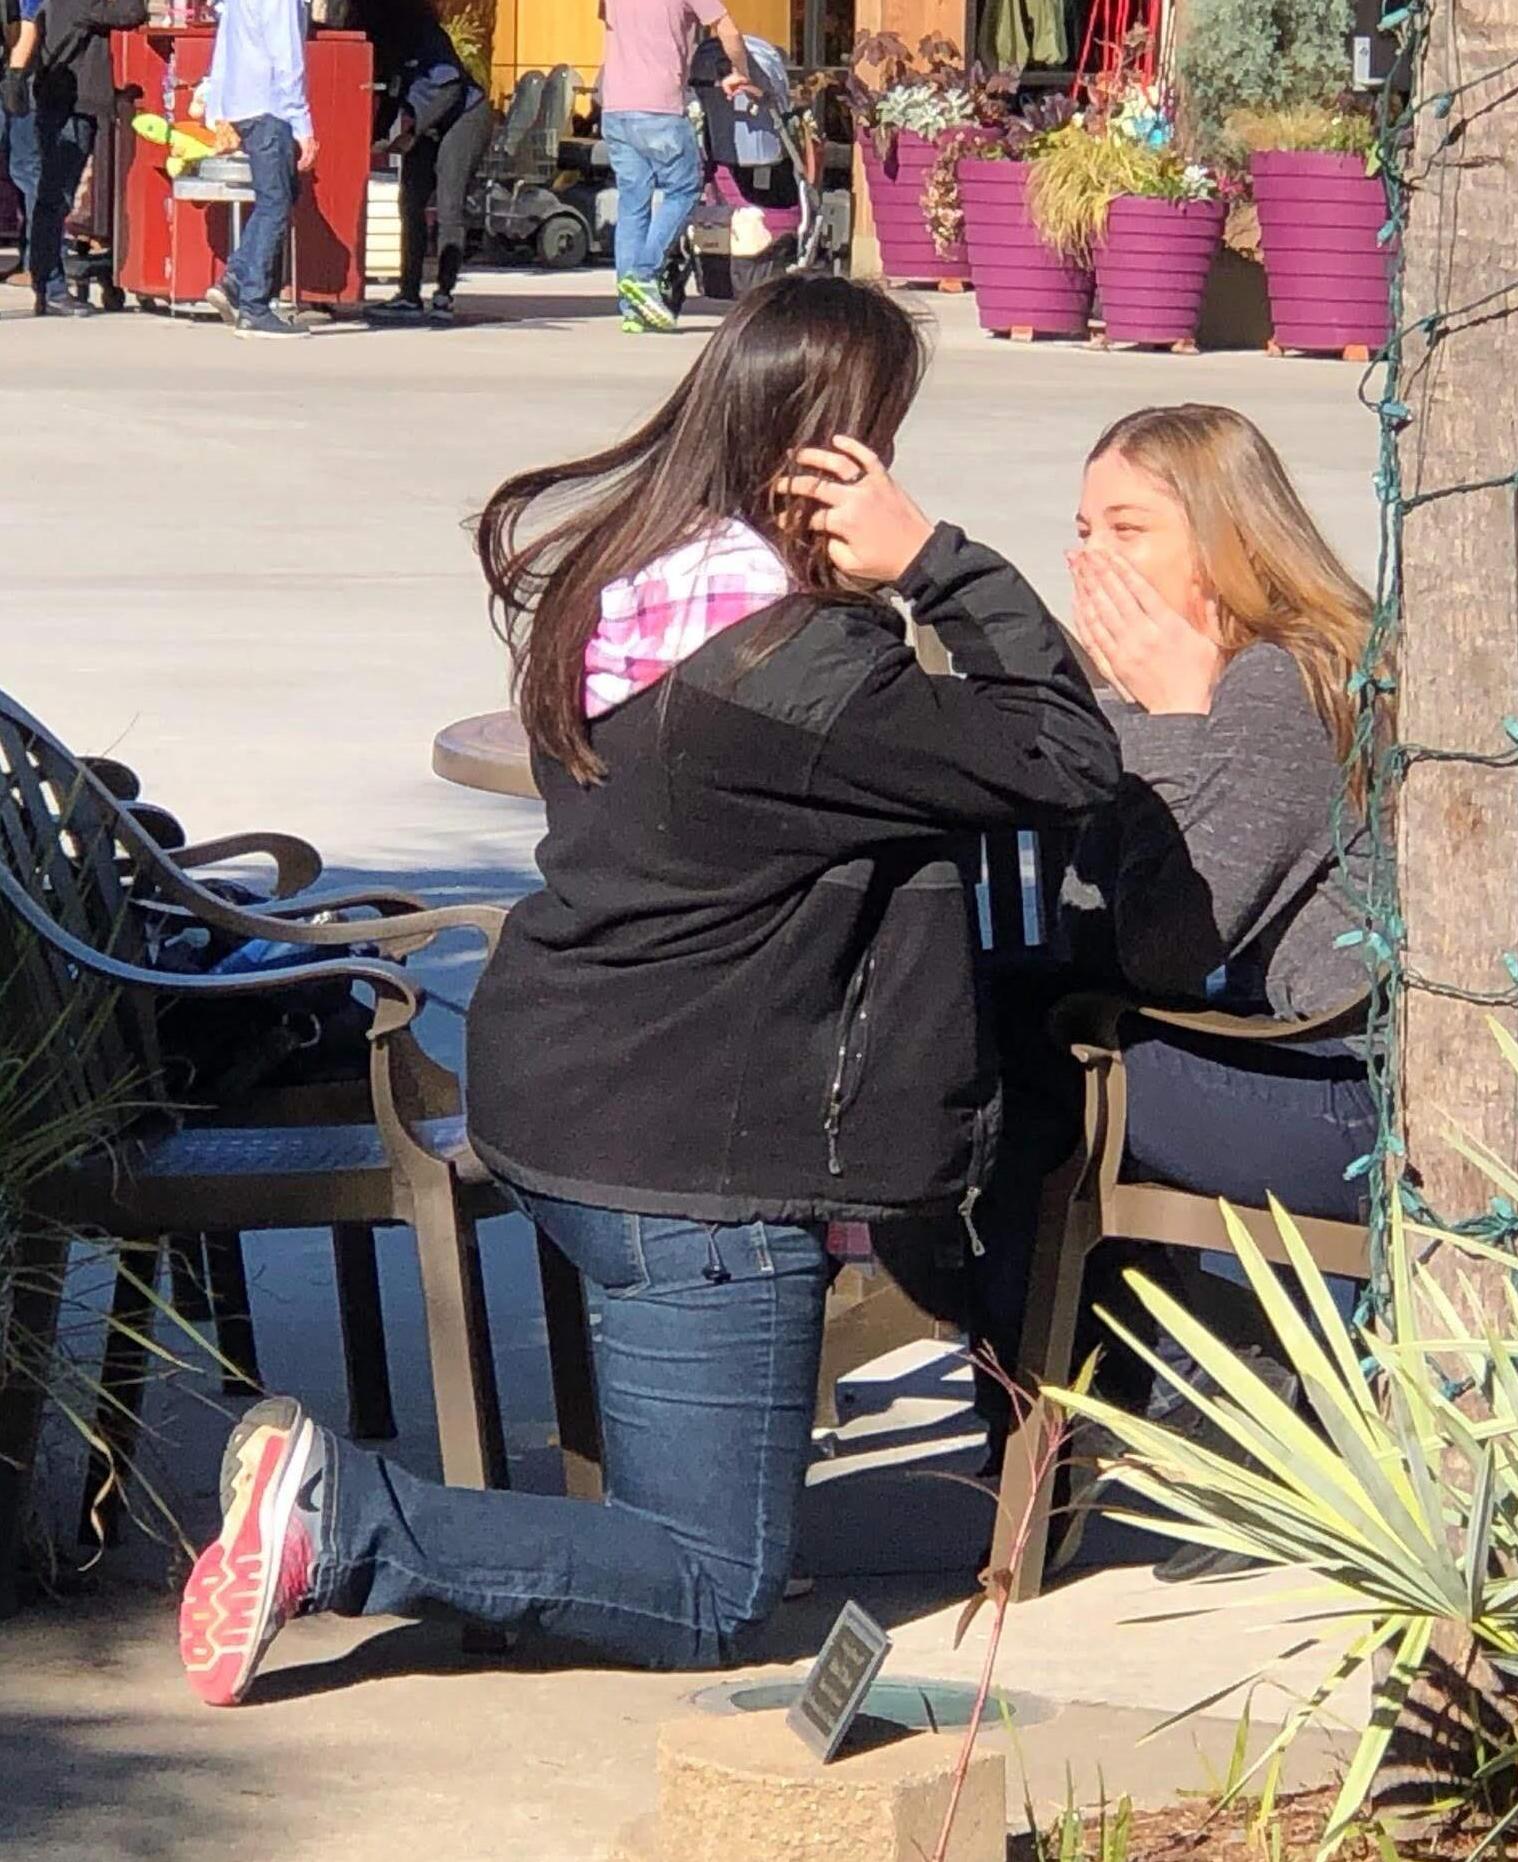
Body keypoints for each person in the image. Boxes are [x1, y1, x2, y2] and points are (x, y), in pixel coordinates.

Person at [174, 274, 1122, 1707]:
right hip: (693, 1164)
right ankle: (342, 1520)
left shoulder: (633, 582)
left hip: (556, 1094)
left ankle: (389, 1511)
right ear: (835, 453)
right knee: (712, 1587)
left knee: (702, 1507)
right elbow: (1061, 756)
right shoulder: (804, 674)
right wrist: (935, 557)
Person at [968, 404, 1381, 1577]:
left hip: (1337, 1101)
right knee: (1017, 1023)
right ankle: (1152, 1407)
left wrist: (1167, 717)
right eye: (1082, 527)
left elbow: (1151, 944)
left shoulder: (1268, 692)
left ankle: (1049, 1427)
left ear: (1221, 538)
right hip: (1282, 1060)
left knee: (1015, 1050)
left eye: (1129, 527)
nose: (1091, 556)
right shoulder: (1234, 676)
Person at [598, 0, 757, 332]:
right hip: (660, 107)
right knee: (683, 189)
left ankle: (632, 309)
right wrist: (739, 71)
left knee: (632, 204)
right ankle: (643, 276)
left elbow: (612, 27)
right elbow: (726, 27)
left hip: (615, 105)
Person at [355, 0, 492, 326]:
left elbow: (451, 88)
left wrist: (411, 132)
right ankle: (408, 294)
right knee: (410, 201)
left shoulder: (423, 35)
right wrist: (375, 136)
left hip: (466, 116)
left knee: (449, 204)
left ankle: (443, 294)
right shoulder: (391, 48)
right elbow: (392, 95)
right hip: (429, 121)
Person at [198, 0, 316, 339]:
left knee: (278, 196)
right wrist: (303, 124)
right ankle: (254, 306)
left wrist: (219, 111)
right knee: (275, 203)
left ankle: (236, 279)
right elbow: (288, 58)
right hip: (269, 106)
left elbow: (223, 52)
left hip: (243, 105)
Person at [23, 0, 145, 316]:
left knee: (54, 198)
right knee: (55, 198)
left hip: (64, 104)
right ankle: (50, 286)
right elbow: (131, 13)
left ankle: (49, 284)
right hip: (68, 108)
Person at [0, 0, 41, 289]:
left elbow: (31, 19)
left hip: (21, 78)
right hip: (15, 74)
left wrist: (15, 73)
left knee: (25, 169)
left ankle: (37, 262)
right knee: (24, 168)